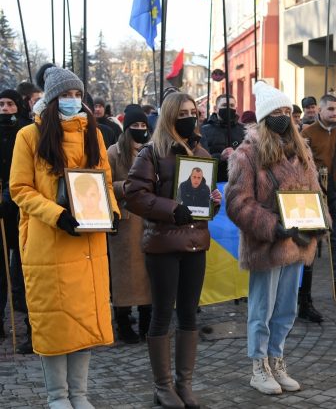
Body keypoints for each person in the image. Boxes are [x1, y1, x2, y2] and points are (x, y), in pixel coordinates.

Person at [10, 66, 120, 408]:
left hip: (89, 238)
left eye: (77, 95)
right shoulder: (29, 135)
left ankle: (80, 394)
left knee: (85, 318)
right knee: (55, 320)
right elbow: (20, 189)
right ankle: (57, 396)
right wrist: (58, 215)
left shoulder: (94, 134)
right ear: (51, 98)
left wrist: (111, 211)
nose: (72, 101)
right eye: (65, 95)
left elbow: (103, 176)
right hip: (49, 239)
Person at [225, 81, 326, 394]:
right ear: (266, 117)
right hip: (267, 245)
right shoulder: (247, 154)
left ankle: (276, 359)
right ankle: (259, 366)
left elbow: (315, 193)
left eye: (288, 111)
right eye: (278, 112)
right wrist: (272, 226)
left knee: (286, 309)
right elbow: (238, 202)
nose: (285, 117)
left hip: (297, 243)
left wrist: (319, 222)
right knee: (261, 309)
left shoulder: (301, 150)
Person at [125, 92, 222, 408]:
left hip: (195, 245)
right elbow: (134, 195)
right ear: (169, 115)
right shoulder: (151, 153)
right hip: (163, 245)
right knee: (162, 313)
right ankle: (162, 386)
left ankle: (184, 384)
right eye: (182, 112)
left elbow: (202, 208)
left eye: (193, 111)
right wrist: (170, 208)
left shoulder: (202, 153)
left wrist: (212, 205)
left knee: (189, 314)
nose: (189, 116)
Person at [301, 95, 336, 302]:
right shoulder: (308, 132)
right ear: (320, 111)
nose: (335, 113)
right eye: (331, 109)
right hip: (316, 191)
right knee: (312, 238)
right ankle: (304, 291)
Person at [107, 106, 152, 345]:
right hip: (124, 222)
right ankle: (123, 324)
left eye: (144, 126)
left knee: (148, 275)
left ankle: (146, 322)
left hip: (149, 220)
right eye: (135, 126)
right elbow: (104, 182)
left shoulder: (152, 150)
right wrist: (124, 186)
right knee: (123, 278)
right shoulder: (114, 152)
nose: (140, 130)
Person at [0, 89, 32, 350]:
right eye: (1, 104)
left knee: (26, 268)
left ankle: (33, 327)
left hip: (23, 207)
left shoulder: (27, 130)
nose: (5, 108)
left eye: (10, 103)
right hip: (2, 207)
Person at [200, 94, 246, 183]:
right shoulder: (204, 131)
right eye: (224, 105)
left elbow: (252, 159)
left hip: (239, 184)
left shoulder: (244, 130)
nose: (228, 108)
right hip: (214, 183)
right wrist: (220, 157)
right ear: (215, 108)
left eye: (232, 105)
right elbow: (201, 160)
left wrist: (238, 156)